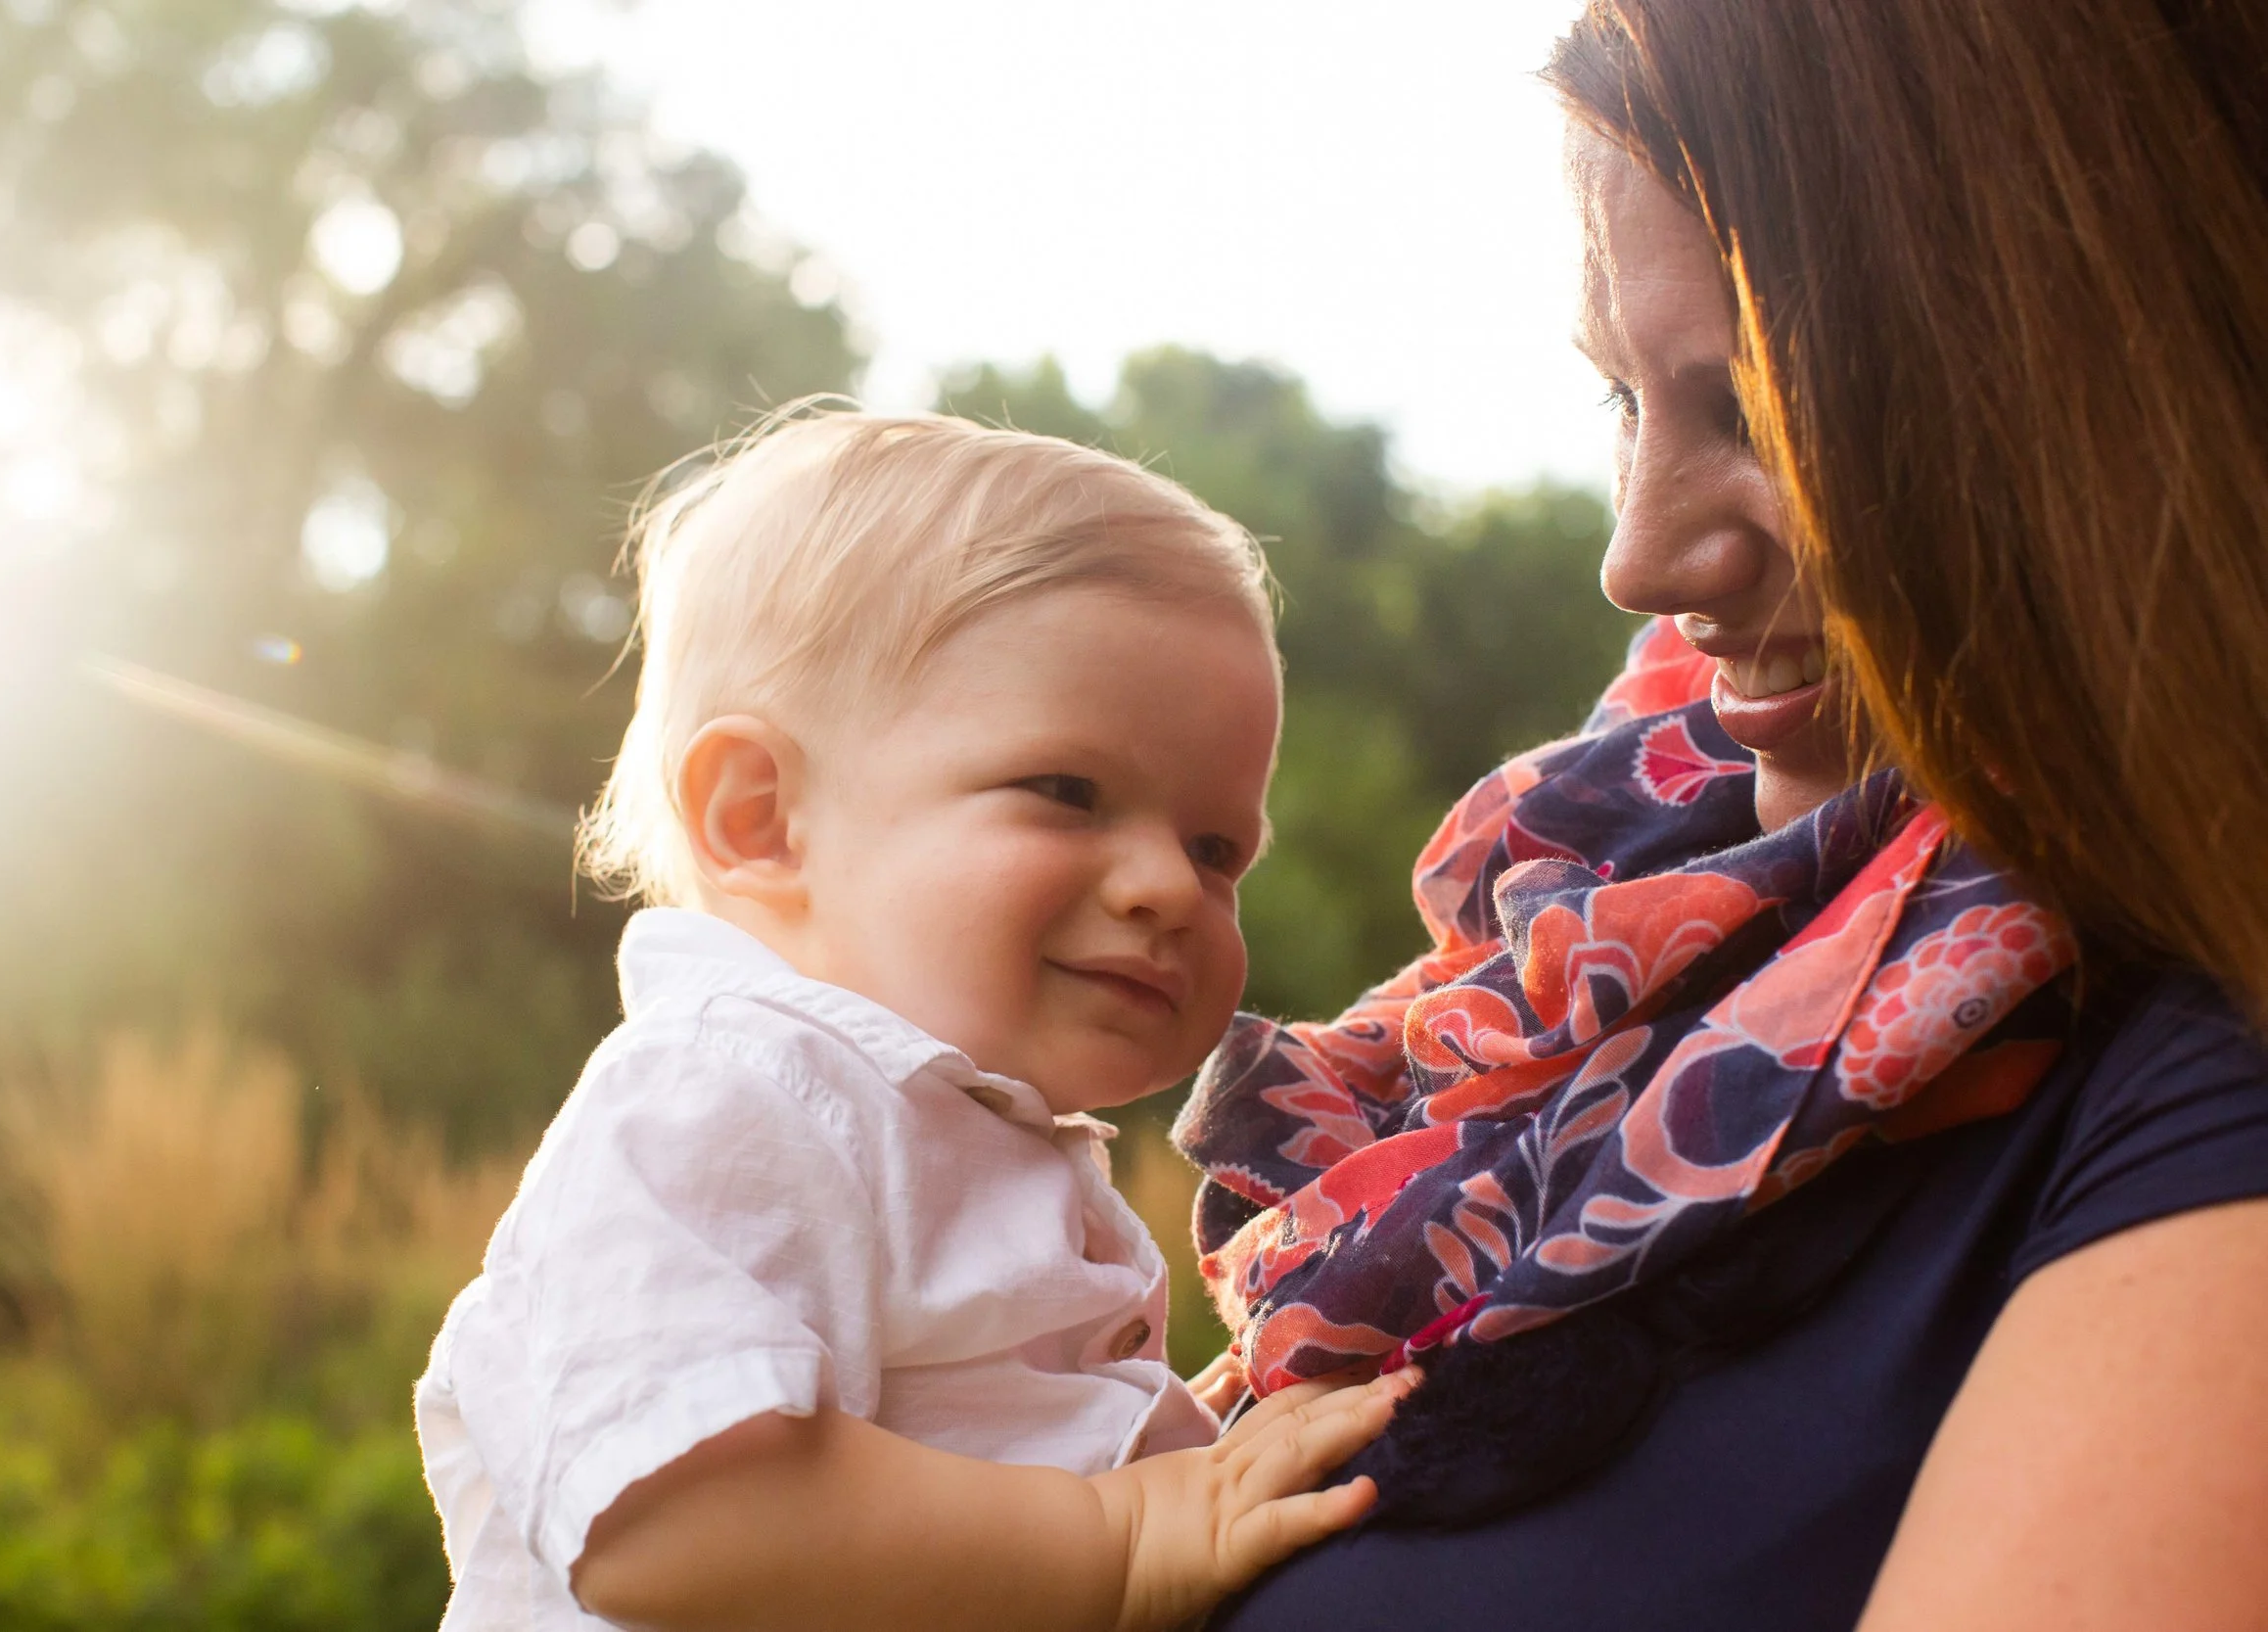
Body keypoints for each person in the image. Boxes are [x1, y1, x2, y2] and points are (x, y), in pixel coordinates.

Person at [1187, 2, 2268, 1627]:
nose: (1637, 557)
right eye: (1623, 403)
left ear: (2113, 392)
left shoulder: (2199, 1080)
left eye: (1759, 411)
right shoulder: (1628, 953)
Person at [413, 408, 1413, 1632]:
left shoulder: (939, 1129)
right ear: (759, 816)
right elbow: (668, 1509)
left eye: (1216, 848)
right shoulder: (729, 1093)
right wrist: (1118, 1532)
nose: (1165, 882)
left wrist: (1169, 1453)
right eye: (1068, 790)